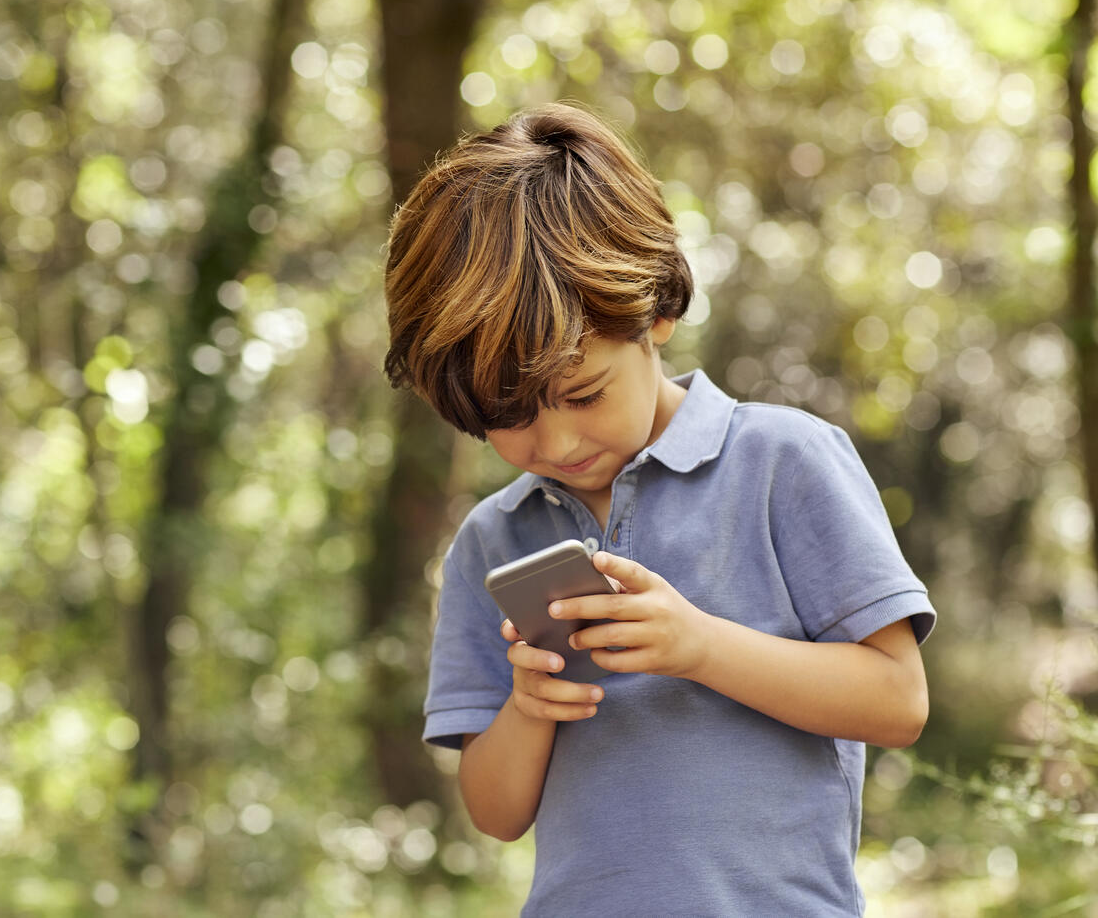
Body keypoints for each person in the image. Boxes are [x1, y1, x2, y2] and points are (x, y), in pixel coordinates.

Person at [381, 101, 935, 915]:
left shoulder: (785, 463)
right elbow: (495, 813)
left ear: (657, 313)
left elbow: (898, 700)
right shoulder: (493, 543)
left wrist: (699, 645)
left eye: (583, 393)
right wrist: (530, 707)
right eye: (511, 417)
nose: (559, 441)